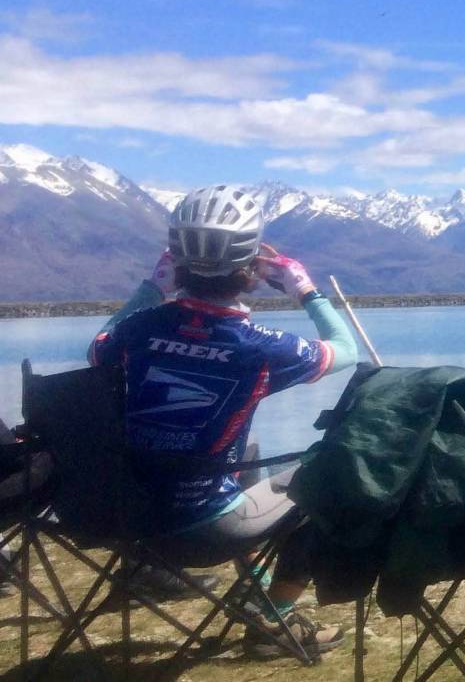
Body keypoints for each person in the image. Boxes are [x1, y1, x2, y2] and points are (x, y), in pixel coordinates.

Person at [86, 185, 359, 658]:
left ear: (177, 263)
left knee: (245, 458)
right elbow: (346, 351)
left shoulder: (140, 328)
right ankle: (274, 618)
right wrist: (304, 288)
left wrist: (153, 287)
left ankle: (258, 589)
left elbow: (97, 349)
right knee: (332, 475)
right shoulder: (261, 347)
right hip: (204, 531)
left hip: (125, 518)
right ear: (250, 269)